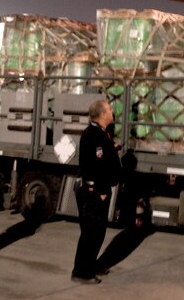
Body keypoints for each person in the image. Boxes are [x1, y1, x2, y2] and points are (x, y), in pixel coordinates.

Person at [71, 99, 122, 285]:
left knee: (97, 233)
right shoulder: (93, 135)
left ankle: (89, 266)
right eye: (109, 109)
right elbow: (94, 166)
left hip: (98, 190)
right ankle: (81, 272)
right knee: (91, 233)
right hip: (94, 192)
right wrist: (100, 191)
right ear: (102, 114)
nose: (112, 112)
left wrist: (112, 149)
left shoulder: (100, 133)